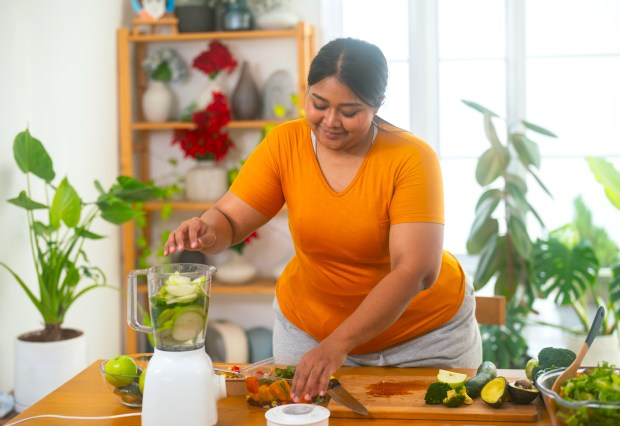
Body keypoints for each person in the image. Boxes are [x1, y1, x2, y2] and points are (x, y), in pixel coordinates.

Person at [164, 37, 482, 403]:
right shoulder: (285, 144)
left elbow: (414, 271)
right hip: (311, 331)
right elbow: (230, 221)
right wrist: (207, 229)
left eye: (350, 111)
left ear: (377, 105)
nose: (330, 122)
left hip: (425, 336)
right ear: (307, 92)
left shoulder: (411, 158)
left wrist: (339, 344)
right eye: (319, 104)